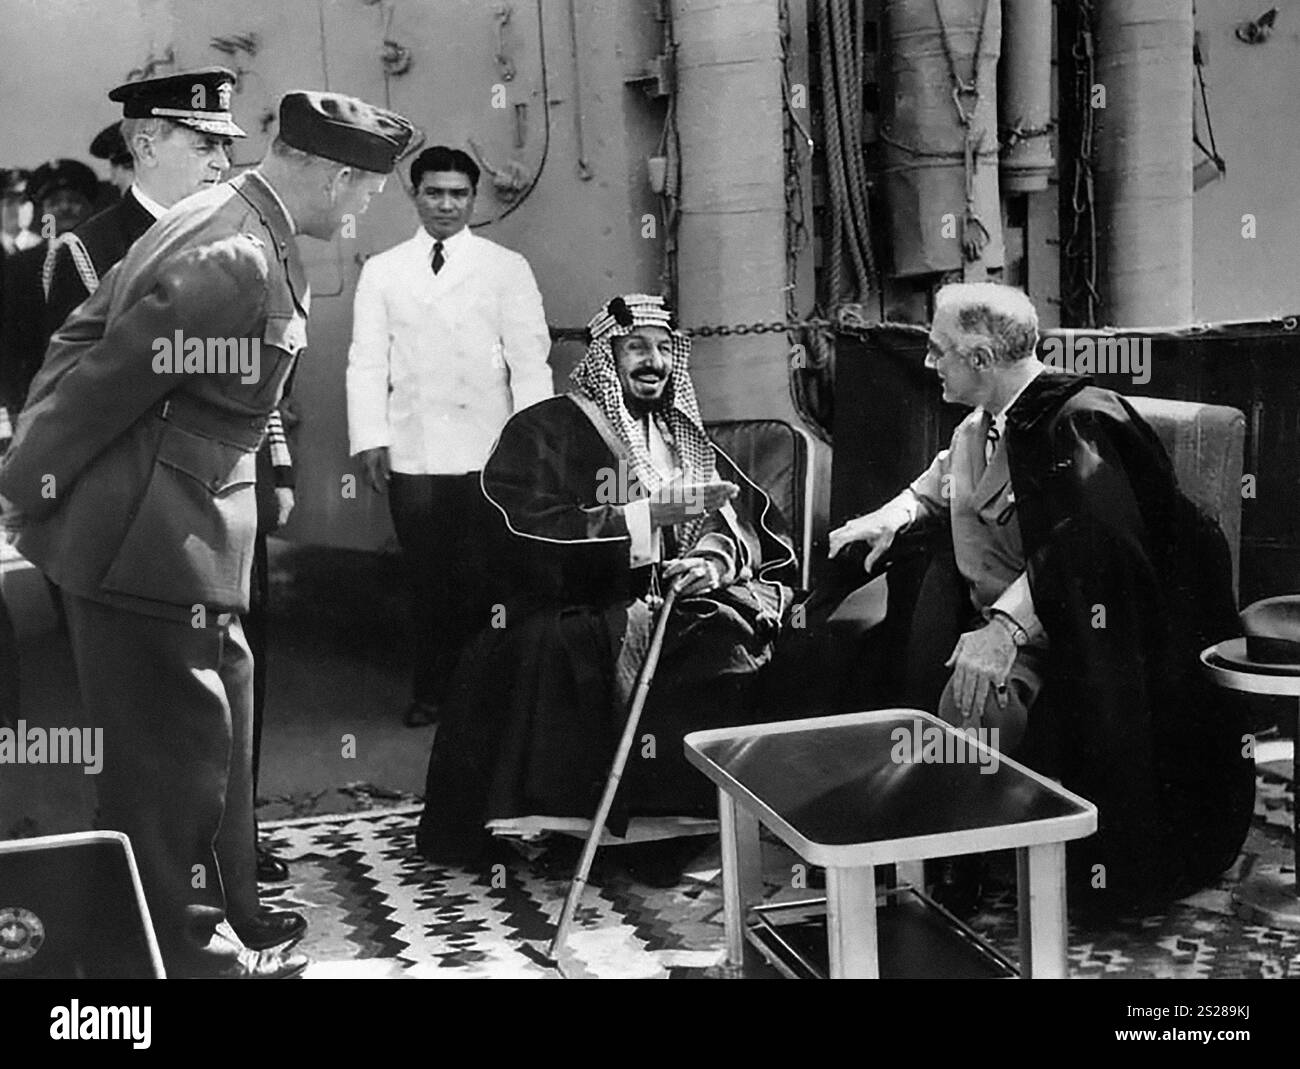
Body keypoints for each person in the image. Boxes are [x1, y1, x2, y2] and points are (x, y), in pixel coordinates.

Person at [0, 89, 415, 978]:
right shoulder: (233, 251)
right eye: (367, 192)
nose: (365, 208)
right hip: (148, 541)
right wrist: (30, 487)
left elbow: (82, 338)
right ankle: (178, 960)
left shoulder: (228, 220)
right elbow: (95, 379)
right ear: (337, 174)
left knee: (216, 737)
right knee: (167, 766)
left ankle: (229, 912)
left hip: (192, 529)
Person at [829, 282, 1254, 915]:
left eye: (938, 350)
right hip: (1018, 621)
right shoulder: (984, 427)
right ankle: (950, 847)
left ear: (979, 358)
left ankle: (971, 867)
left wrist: (1004, 629)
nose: (928, 363)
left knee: (972, 699)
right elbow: (939, 484)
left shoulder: (1082, 421)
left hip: (1090, 638)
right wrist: (891, 515)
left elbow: (1094, 544)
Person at [41, 68, 302, 933]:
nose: (219, 159)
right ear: (146, 141)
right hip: (130, 518)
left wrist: (280, 465)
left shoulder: (240, 230)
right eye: (201, 142)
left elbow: (253, 380)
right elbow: (70, 394)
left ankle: (233, 874)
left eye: (227, 144)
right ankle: (150, 908)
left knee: (230, 698)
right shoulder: (89, 247)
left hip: (223, 497)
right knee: (154, 723)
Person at [417, 293, 797, 885]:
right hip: (572, 601)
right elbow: (519, 531)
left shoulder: (678, 434)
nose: (654, 361)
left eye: (664, 349)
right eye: (636, 348)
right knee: (594, 641)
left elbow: (733, 517)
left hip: (676, 598)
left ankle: (678, 826)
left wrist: (709, 560)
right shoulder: (546, 428)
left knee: (737, 630)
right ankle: (586, 829)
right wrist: (645, 520)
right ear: (605, 357)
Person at [346, 146, 552, 729]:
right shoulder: (383, 269)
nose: (446, 205)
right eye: (434, 192)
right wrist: (370, 437)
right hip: (416, 454)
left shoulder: (504, 267)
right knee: (428, 578)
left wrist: (530, 445)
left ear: (473, 199)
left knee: (491, 577)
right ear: (415, 195)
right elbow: (367, 361)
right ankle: (433, 691)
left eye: (458, 194)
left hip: (489, 452)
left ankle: (492, 694)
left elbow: (530, 363)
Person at [0, 159, 98, 416]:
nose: (65, 208)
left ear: (90, 208)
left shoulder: (106, 257)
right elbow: (9, 342)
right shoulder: (20, 267)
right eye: (54, 203)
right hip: (36, 393)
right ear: (42, 213)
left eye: (74, 200)